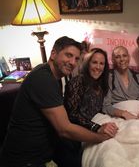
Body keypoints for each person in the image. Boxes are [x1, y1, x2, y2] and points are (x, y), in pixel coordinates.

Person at [0, 36, 118, 167]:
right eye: (68, 55)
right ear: (53, 54)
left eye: (76, 58)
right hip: (25, 157)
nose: (73, 62)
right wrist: (100, 136)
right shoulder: (43, 79)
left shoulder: (54, 77)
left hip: (48, 148)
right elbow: (65, 129)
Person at [54, 48, 113, 167]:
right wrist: (96, 127)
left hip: (89, 131)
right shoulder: (78, 82)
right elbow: (72, 115)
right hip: (71, 138)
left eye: (101, 63)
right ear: (87, 63)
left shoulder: (101, 84)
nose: (98, 67)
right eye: (94, 62)